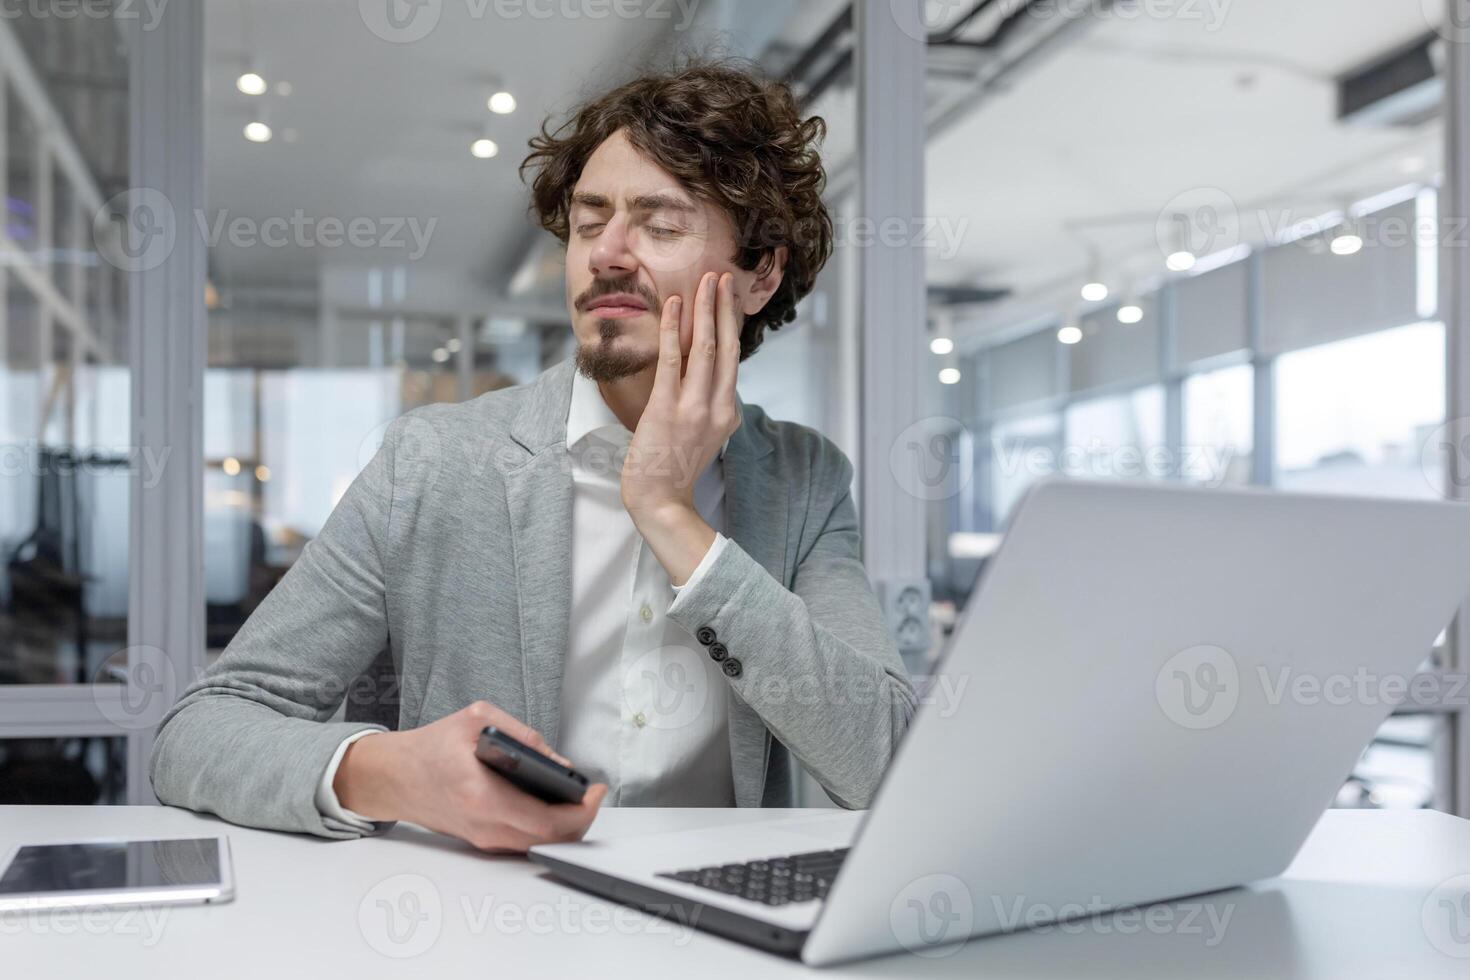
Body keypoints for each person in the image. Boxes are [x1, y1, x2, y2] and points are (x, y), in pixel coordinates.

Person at [151, 60, 916, 852]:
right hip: (487, 932)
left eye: (659, 224)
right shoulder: (433, 461)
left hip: (720, 930)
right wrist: (390, 772)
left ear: (760, 274)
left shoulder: (804, 480)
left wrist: (669, 514)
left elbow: (886, 763)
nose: (607, 254)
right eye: (589, 222)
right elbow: (198, 733)